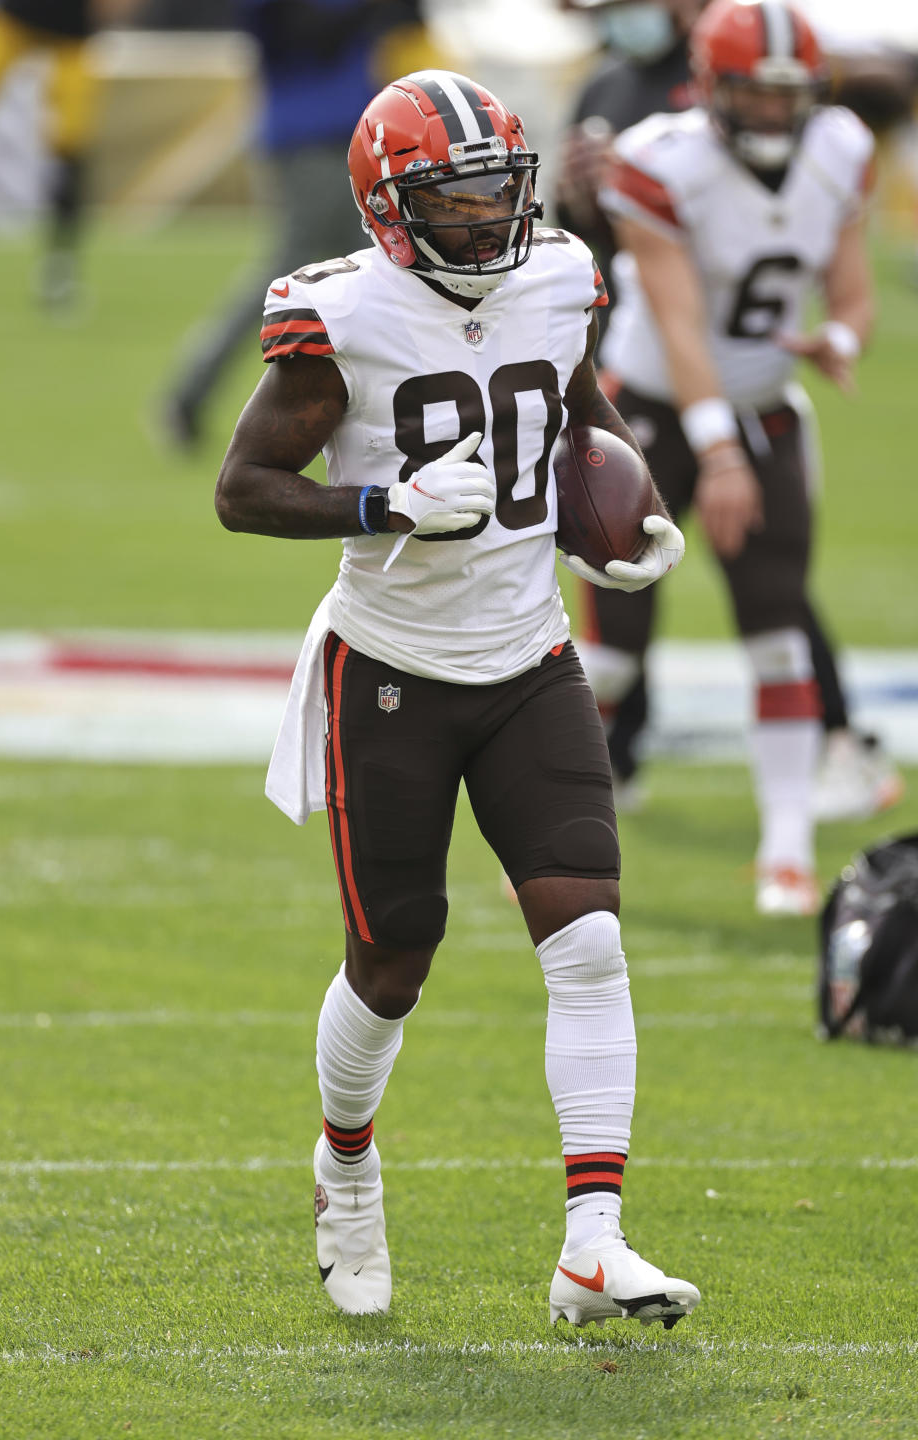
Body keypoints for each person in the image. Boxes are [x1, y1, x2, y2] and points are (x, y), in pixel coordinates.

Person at [214, 68, 699, 1327]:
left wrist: (618, 517)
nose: (486, 226)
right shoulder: (342, 318)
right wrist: (383, 505)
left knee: (587, 940)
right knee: (392, 962)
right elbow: (244, 487)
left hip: (530, 660)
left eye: (499, 199)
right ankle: (346, 1167)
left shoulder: (559, 275)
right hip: (391, 672)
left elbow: (575, 413)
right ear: (388, 207)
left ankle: (593, 1243)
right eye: (455, 203)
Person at [554, 0, 904, 825]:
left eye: (793, 91)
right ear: (710, 87)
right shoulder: (655, 146)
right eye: (759, 90)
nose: (778, 110)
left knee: (775, 604)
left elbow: (851, 296)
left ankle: (802, 811)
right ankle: (583, 791)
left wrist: (840, 342)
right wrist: (718, 455)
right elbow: (670, 314)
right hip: (648, 390)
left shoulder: (838, 148)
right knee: (616, 627)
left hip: (757, 396)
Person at [160, 0, 444, 447]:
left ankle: (404, 408)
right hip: (312, 138)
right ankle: (189, 393)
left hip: (348, 135)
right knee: (300, 275)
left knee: (379, 272)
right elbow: (312, 33)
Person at [0, 0, 141, 306]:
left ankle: (60, 270)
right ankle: (59, 272)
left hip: (72, 33)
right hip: (15, 18)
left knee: (71, 152)